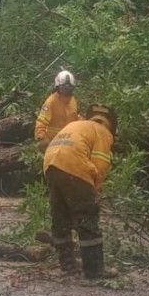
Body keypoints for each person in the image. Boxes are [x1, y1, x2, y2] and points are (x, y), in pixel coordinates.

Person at [42, 104, 118, 280]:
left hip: (51, 164)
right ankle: (94, 270)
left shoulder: (77, 125)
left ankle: (67, 264)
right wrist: (95, 193)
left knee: (60, 216)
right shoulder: (102, 132)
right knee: (87, 216)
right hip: (74, 166)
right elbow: (100, 166)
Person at [34, 70, 81, 150]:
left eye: (69, 87)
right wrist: (41, 137)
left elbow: (75, 117)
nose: (66, 90)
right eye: (63, 87)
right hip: (52, 143)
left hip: (68, 142)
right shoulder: (51, 102)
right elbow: (41, 121)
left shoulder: (73, 101)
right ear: (58, 87)